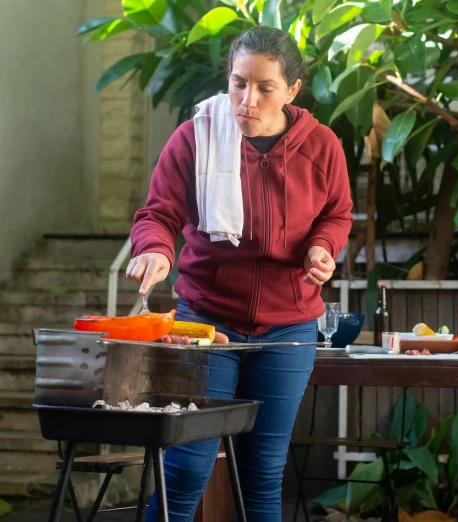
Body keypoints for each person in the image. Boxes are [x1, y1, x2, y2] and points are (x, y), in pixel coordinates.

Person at [125, 25, 353, 522]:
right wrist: (157, 251)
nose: (247, 100)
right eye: (238, 83)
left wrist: (323, 246)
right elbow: (157, 215)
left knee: (262, 474)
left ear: (292, 90)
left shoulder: (322, 146)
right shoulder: (195, 136)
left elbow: (337, 213)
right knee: (185, 468)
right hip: (206, 320)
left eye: (265, 87)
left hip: (289, 328)